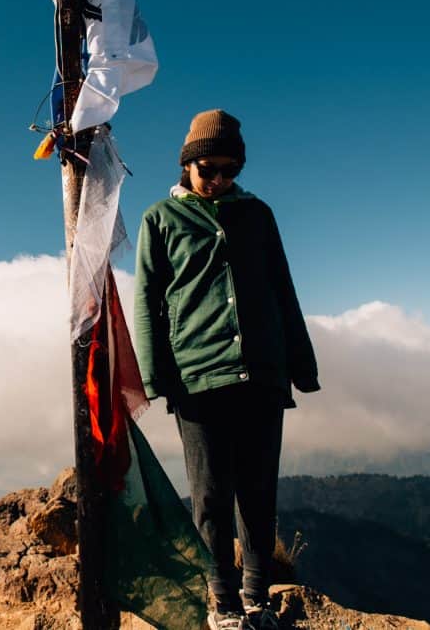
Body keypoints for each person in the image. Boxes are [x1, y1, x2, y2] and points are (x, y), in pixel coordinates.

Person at [133, 110, 319, 630]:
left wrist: (300, 365)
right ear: (188, 164)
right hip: (197, 377)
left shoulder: (257, 215)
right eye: (209, 168)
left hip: (261, 372)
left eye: (229, 170)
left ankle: (256, 595)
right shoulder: (160, 220)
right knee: (211, 496)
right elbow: (147, 302)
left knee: (259, 491)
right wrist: (154, 378)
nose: (218, 180)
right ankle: (223, 601)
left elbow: (283, 289)